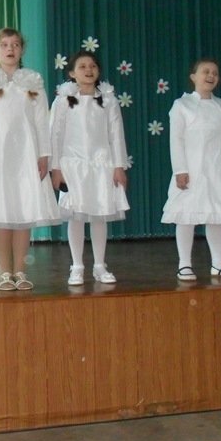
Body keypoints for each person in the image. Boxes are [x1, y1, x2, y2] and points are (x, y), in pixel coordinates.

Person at [0, 28, 60, 291]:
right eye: (4, 45)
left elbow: (42, 120)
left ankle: (20, 270)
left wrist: (44, 155)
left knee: (22, 213)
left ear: (22, 50)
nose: (10, 49)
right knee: (1, 213)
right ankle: (4, 272)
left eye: (15, 44)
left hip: (26, 155)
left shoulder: (32, 80)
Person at [161, 58, 221, 281]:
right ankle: (184, 264)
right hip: (191, 167)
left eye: (215, 73)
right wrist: (180, 170)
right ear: (193, 77)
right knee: (187, 215)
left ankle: (219, 264)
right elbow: (176, 140)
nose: (211, 76)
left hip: (217, 167)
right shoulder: (182, 105)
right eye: (206, 72)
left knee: (216, 214)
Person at [49, 51, 129, 286]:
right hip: (72, 165)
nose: (88, 70)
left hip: (101, 165)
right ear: (72, 73)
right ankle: (77, 266)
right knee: (76, 217)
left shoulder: (108, 100)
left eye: (93, 66)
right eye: (82, 66)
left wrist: (119, 166)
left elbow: (116, 135)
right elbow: (54, 134)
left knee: (99, 215)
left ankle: (99, 265)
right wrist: (56, 168)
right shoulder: (63, 101)